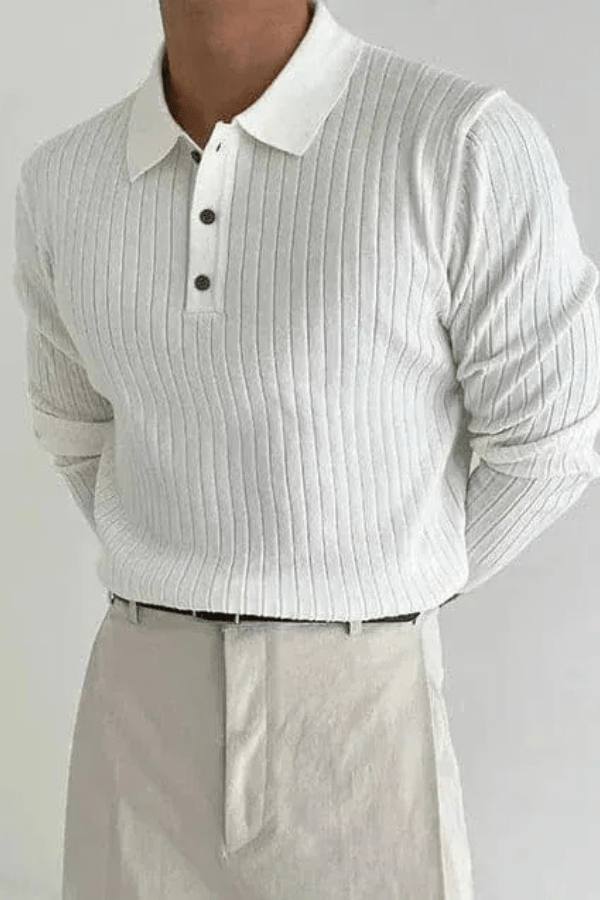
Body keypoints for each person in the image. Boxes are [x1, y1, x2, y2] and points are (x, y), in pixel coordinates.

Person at [12, 0, 600, 897]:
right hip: (139, 719)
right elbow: (78, 432)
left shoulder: (458, 144)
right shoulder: (62, 181)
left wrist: (371, 590)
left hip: (362, 723)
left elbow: (550, 442)